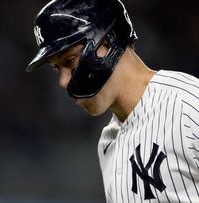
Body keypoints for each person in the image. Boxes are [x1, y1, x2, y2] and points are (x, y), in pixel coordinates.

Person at [26, 0, 199, 202]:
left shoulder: (188, 105)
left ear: (108, 40)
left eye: (69, 60)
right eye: (57, 69)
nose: (63, 82)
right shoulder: (108, 142)